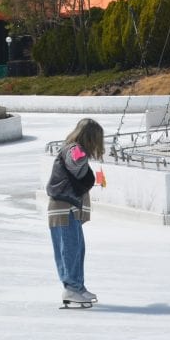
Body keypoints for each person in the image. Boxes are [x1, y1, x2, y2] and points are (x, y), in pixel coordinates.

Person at [45, 117, 105, 308]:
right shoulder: (72, 149)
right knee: (69, 248)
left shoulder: (73, 148)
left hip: (69, 207)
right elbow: (74, 159)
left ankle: (78, 286)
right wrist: (80, 155)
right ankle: (71, 287)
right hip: (62, 208)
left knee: (78, 248)